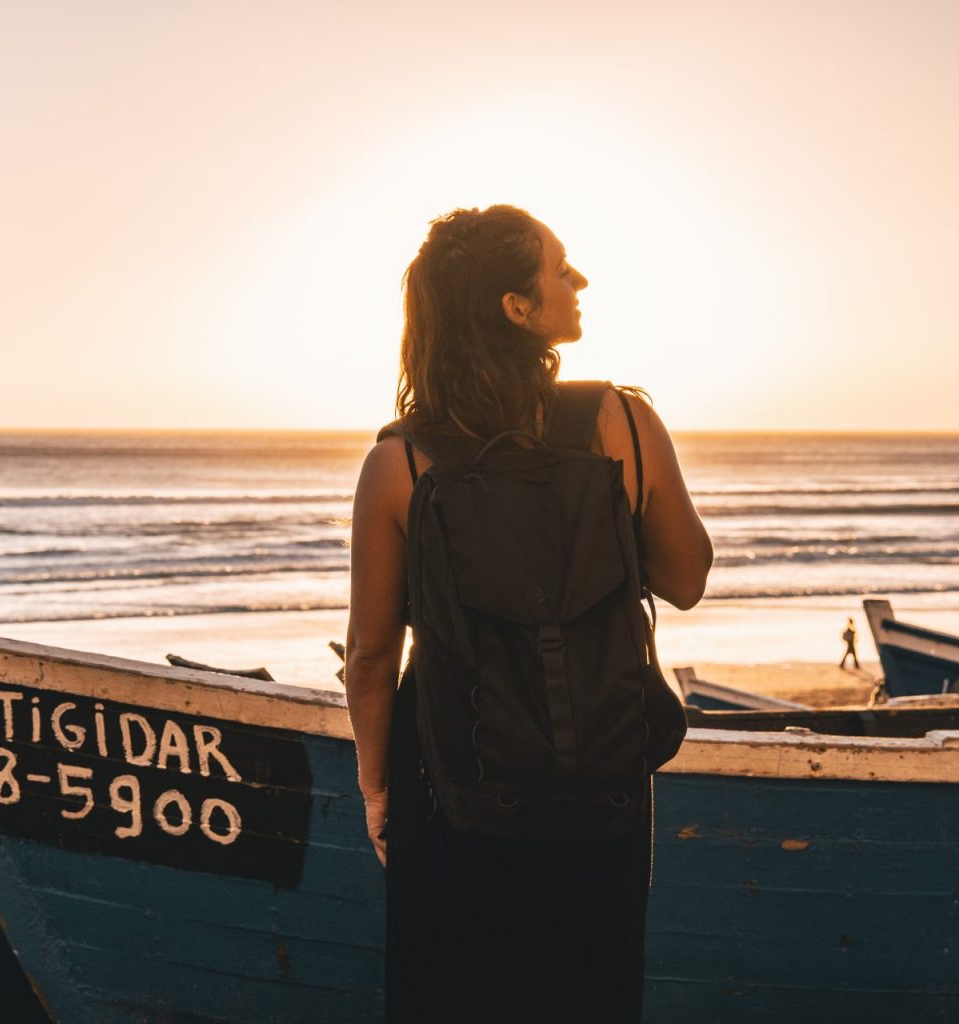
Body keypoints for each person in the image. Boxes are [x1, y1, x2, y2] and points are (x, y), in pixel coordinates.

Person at [344, 205, 713, 1021]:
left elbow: (371, 656)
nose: (577, 281)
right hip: (600, 775)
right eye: (559, 268)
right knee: (589, 995)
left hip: (447, 783)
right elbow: (685, 580)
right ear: (516, 308)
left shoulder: (398, 462)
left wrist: (376, 790)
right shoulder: (622, 421)